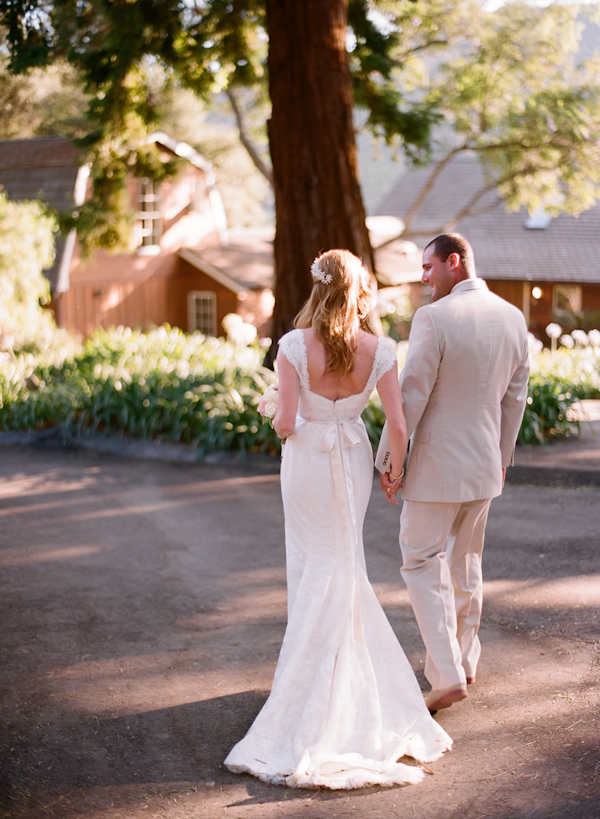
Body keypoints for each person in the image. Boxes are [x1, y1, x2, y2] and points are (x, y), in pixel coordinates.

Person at [225, 249, 452, 789]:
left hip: (305, 460)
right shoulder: (380, 349)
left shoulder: (292, 346)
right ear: (359, 291)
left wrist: (275, 411)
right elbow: (397, 423)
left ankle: (311, 689)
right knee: (343, 563)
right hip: (350, 454)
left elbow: (284, 423)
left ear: (317, 288)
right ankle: (346, 684)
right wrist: (393, 470)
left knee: (313, 564)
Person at [376, 233, 530, 714]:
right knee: (466, 564)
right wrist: (503, 458)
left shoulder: (433, 318)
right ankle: (464, 661)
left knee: (421, 562)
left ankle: (445, 675)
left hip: (436, 467)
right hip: (485, 466)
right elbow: (515, 398)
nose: (424, 278)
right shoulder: (513, 316)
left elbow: (411, 396)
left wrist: (391, 463)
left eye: (429, 267)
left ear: (454, 262)